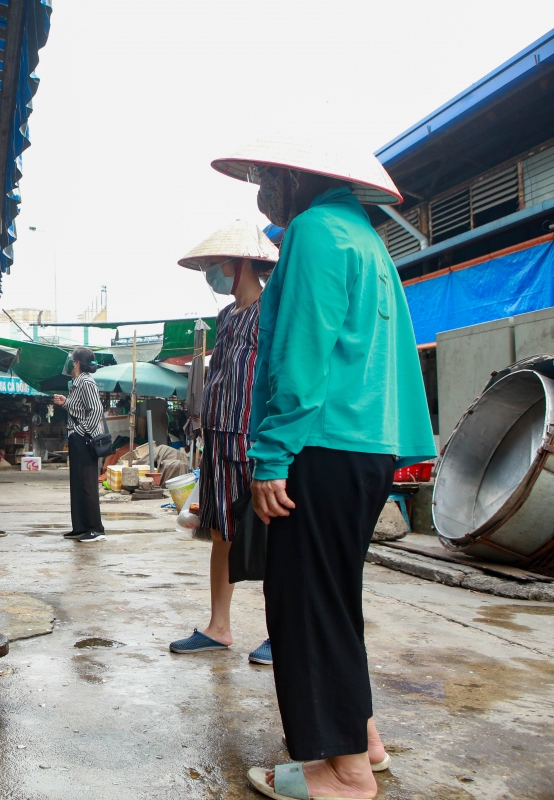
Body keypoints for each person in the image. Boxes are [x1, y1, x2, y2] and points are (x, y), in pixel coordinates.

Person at [213, 136, 436, 800]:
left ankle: (342, 773)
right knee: (335, 601)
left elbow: (301, 350)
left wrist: (272, 454)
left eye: (266, 176)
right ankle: (360, 740)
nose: (261, 188)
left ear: (293, 177)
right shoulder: (365, 237)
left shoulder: (312, 231)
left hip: (319, 442)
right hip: (366, 446)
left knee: (305, 605)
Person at [168, 220, 277, 665]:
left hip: (253, 438)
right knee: (220, 531)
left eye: (216, 264)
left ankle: (281, 632)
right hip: (217, 438)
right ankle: (219, 627)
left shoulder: (271, 308)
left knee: (270, 535)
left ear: (240, 263)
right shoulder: (227, 316)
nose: (213, 272)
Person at [52, 347, 106, 543]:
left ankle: (95, 529)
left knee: (87, 484)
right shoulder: (77, 382)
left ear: (76, 362)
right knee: (78, 483)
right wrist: (65, 402)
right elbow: (81, 408)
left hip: (84, 438)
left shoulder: (86, 381)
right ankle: (80, 527)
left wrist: (82, 433)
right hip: (77, 436)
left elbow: (96, 410)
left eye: (72, 360)